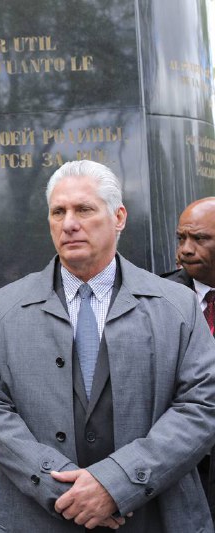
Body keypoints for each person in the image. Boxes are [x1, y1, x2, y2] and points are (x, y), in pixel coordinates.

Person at [0, 160, 215, 532]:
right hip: (37, 517)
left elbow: (202, 404)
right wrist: (59, 485)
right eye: (58, 211)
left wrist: (116, 484)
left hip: (155, 517)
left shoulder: (175, 304)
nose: (69, 223)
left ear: (118, 217)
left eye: (84, 209)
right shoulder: (8, 306)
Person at [162, 196, 215, 517]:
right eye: (181, 238)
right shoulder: (157, 296)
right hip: (180, 465)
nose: (185, 249)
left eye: (200, 239)